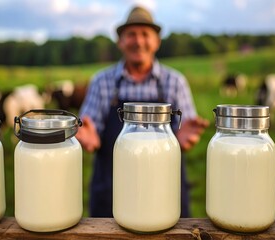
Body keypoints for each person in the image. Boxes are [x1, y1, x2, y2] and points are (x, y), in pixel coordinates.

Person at [76, 5, 209, 218]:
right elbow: (91, 129)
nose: (138, 41)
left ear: (156, 41)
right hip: (113, 192)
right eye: (131, 35)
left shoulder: (174, 82)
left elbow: (182, 132)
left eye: (145, 34)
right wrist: (89, 137)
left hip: (164, 191)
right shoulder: (102, 83)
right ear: (120, 42)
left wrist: (180, 139)